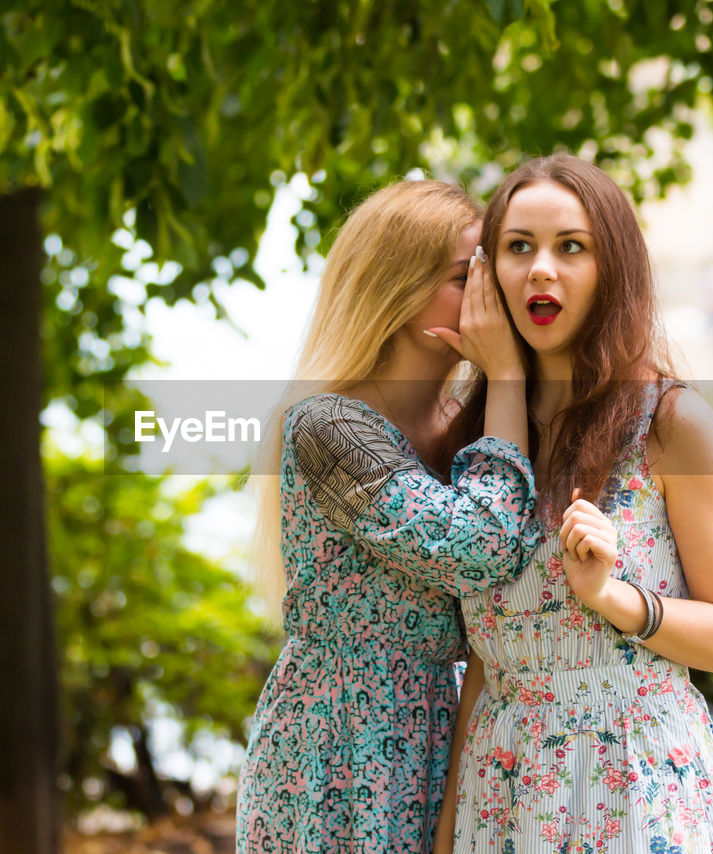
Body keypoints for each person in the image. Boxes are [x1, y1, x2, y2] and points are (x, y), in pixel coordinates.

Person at [436, 153, 713, 853]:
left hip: (634, 788)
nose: (541, 269)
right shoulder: (479, 437)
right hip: (504, 797)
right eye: (518, 247)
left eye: (570, 247)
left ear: (611, 268)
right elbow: (484, 664)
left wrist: (615, 598)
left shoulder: (670, 423)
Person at [237, 178, 540, 852]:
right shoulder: (328, 426)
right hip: (339, 750)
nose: (497, 296)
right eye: (471, 277)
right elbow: (486, 547)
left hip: (455, 733)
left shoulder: (470, 424)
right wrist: (511, 380)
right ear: (400, 287)